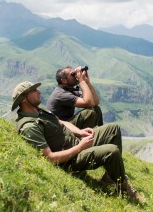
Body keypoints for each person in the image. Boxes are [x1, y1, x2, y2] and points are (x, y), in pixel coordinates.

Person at [9, 81, 145, 205]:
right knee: (112, 151)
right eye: (34, 91)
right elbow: (49, 158)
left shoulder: (38, 111)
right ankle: (123, 188)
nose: (39, 92)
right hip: (70, 160)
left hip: (76, 142)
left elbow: (61, 122)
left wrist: (79, 132)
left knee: (113, 129)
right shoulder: (29, 127)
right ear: (24, 99)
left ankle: (109, 179)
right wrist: (80, 147)